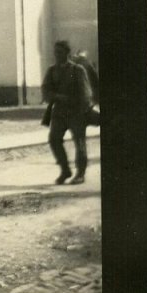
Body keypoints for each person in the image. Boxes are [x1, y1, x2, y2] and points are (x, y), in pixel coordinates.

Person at [42, 40, 93, 185]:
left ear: (67, 53)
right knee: (54, 140)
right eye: (55, 52)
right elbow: (45, 91)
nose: (57, 55)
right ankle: (65, 170)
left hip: (76, 112)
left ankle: (80, 173)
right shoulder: (52, 71)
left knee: (79, 142)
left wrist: (78, 106)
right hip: (59, 112)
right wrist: (56, 97)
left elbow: (85, 94)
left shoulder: (77, 70)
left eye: (60, 52)